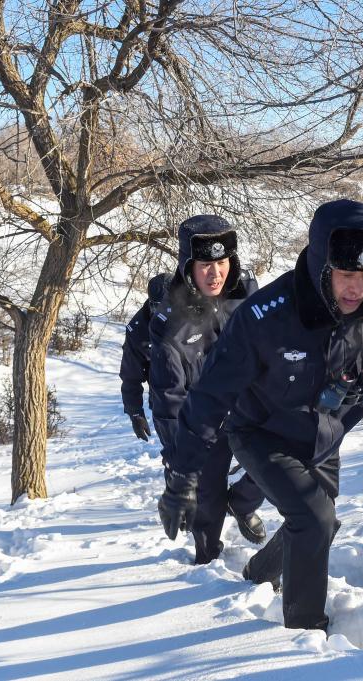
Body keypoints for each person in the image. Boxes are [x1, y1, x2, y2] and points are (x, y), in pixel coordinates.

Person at [157, 199, 363, 630]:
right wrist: (183, 478)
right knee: (312, 519)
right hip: (262, 432)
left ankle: (259, 573)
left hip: (326, 433)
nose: (358, 287)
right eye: (347, 275)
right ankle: (304, 632)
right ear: (321, 266)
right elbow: (207, 400)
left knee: (322, 523)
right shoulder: (264, 319)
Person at [120, 214, 267, 564]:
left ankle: (242, 503)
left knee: (277, 465)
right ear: (188, 265)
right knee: (207, 492)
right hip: (199, 414)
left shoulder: (246, 291)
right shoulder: (169, 321)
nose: (215, 274)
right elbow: (167, 397)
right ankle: (207, 560)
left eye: (222, 263)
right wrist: (134, 404)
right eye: (204, 265)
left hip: (245, 404)